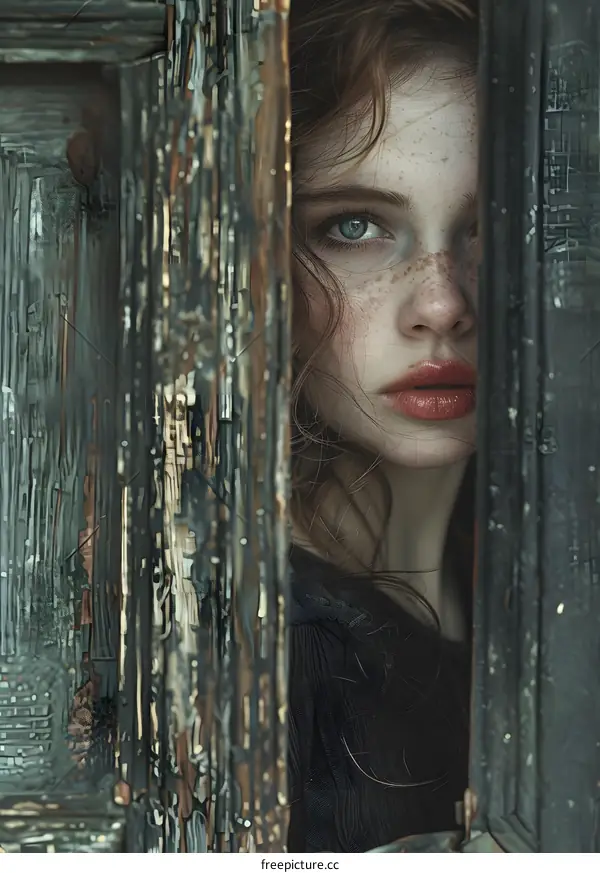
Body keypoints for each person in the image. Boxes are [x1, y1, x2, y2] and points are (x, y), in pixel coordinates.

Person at [287, 0, 479, 853]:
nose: (442, 304)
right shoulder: (282, 655)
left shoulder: (530, 585)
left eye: (488, 226)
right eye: (353, 226)